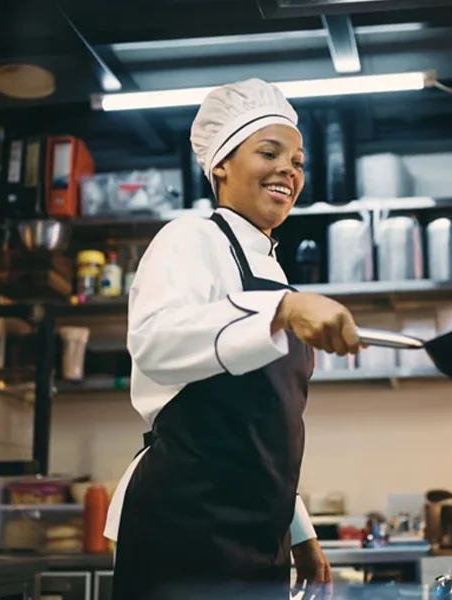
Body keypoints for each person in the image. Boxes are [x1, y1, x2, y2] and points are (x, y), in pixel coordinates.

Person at [104, 78, 362, 600]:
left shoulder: (274, 273)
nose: (289, 170)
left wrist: (300, 533)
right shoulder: (189, 237)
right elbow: (154, 342)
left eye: (298, 161)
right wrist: (282, 310)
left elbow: (259, 437)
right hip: (186, 524)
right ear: (221, 163)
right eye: (270, 152)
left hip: (257, 533)